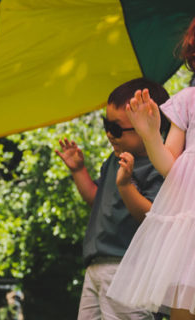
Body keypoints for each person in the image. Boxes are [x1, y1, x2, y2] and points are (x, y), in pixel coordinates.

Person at [56, 78, 170, 320]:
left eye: (117, 129)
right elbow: (97, 199)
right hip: (97, 266)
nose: (109, 134)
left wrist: (126, 185)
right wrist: (78, 171)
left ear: (151, 124)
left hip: (129, 266)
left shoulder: (158, 164)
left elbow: (152, 216)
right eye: (106, 125)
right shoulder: (115, 159)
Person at [107, 18, 195, 320]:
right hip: (190, 227)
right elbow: (170, 165)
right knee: (186, 300)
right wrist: (150, 135)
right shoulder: (187, 101)